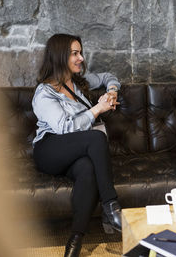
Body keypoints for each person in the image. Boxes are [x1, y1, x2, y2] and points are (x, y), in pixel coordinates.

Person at [32, 33, 121, 257]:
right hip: (50, 150)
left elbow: (110, 76)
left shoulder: (79, 82)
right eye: (75, 53)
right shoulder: (44, 93)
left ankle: (75, 239)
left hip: (75, 151)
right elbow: (64, 128)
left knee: (87, 169)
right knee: (96, 138)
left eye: (80, 52)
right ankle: (111, 207)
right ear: (60, 56)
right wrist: (98, 109)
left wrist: (112, 91)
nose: (81, 58)